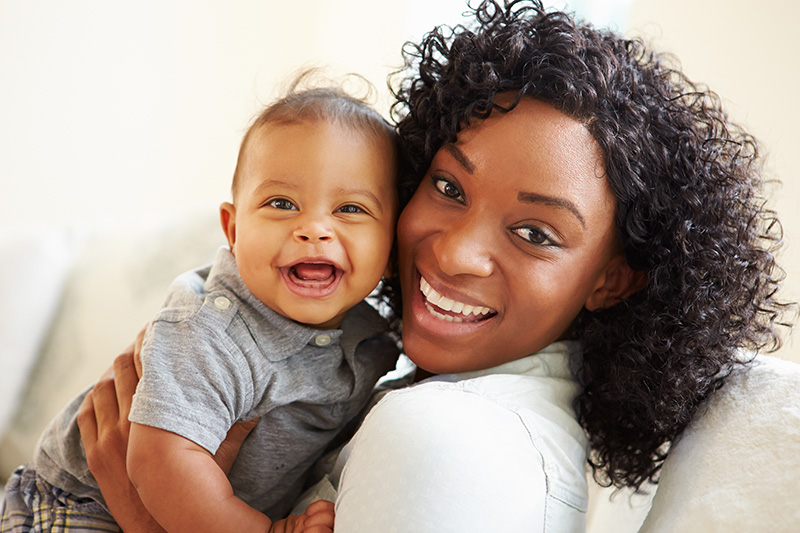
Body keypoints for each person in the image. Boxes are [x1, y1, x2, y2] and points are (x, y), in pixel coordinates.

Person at [75, 0, 791, 531]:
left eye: (535, 231)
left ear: (614, 277)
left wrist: (142, 514)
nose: (451, 251)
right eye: (448, 187)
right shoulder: (380, 363)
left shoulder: (446, 442)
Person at [0, 81, 403, 532]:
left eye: (350, 208)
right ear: (232, 230)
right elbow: (161, 463)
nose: (313, 228)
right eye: (282, 203)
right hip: (75, 506)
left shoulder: (372, 342)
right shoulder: (211, 330)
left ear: (390, 250)